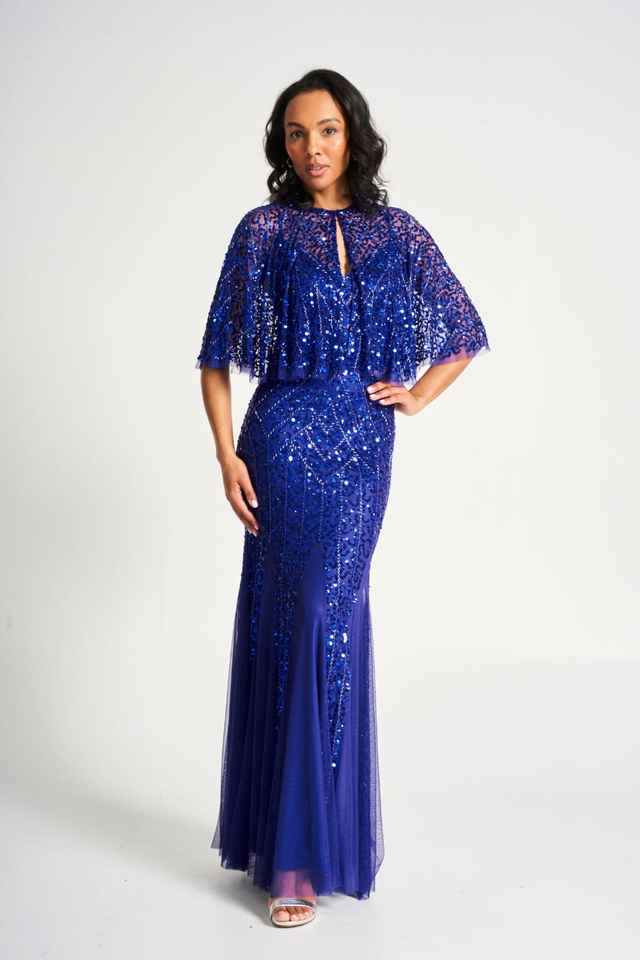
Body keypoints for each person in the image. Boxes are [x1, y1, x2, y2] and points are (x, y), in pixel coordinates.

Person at [196, 68, 490, 928]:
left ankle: (308, 839)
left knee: (333, 619)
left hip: (364, 450)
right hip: (282, 440)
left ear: (352, 134)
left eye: (325, 130)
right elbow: (214, 354)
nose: (312, 147)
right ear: (282, 146)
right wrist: (225, 455)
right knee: (298, 621)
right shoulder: (264, 231)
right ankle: (290, 858)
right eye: (296, 134)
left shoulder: (398, 234)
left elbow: (465, 329)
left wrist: (418, 394)